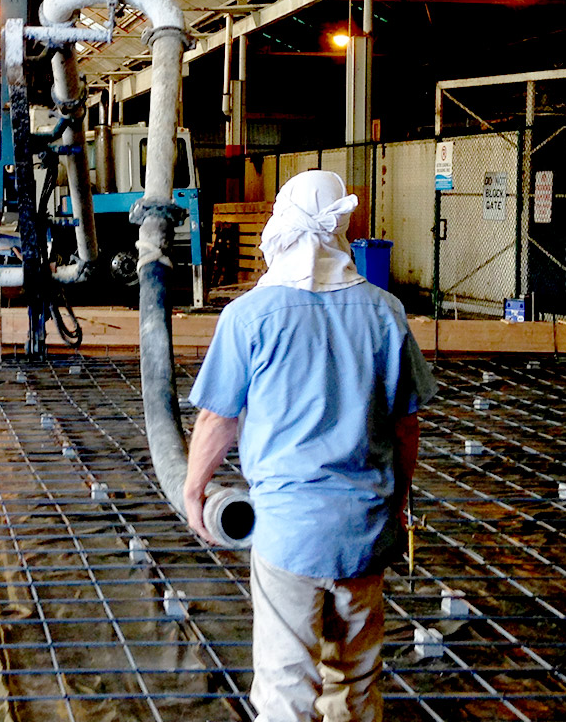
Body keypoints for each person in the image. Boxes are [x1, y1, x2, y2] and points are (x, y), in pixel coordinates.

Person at [183, 170, 437, 722]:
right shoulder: (384, 312)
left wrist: (194, 489)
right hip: (366, 529)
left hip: (288, 532)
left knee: (285, 684)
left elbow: (217, 419)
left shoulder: (249, 315)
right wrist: (397, 501)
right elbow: (406, 426)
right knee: (357, 679)